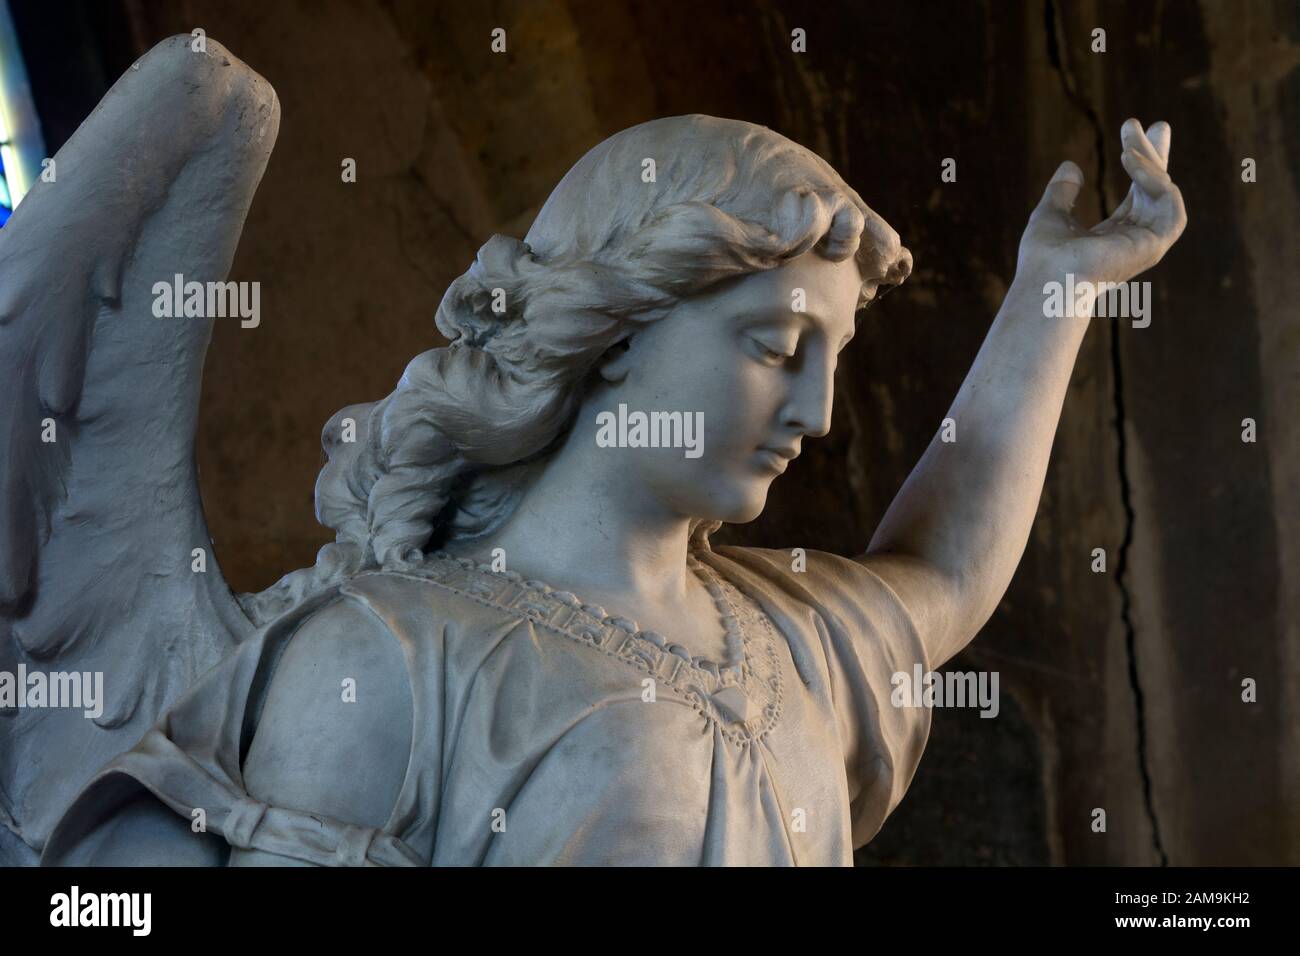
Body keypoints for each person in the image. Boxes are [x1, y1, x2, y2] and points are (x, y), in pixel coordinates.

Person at [42, 109, 1185, 867]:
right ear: (619, 329)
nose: (818, 411)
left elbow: (941, 569)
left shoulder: (783, 632)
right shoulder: (387, 662)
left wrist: (1056, 292)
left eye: (833, 356)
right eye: (775, 343)